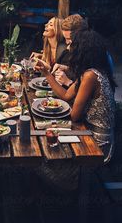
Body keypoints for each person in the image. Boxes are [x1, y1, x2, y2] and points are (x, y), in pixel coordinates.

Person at [36, 29, 116, 163]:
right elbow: (66, 95)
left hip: (97, 144)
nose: (68, 47)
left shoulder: (90, 76)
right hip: (87, 131)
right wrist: (47, 73)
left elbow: (75, 116)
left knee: (46, 156)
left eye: (72, 44)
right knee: (46, 136)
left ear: (82, 49)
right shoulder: (91, 70)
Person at [52, 14, 88, 87]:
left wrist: (68, 82)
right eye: (65, 38)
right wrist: (66, 68)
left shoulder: (90, 55)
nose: (66, 42)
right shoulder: (71, 49)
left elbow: (86, 90)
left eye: (69, 39)